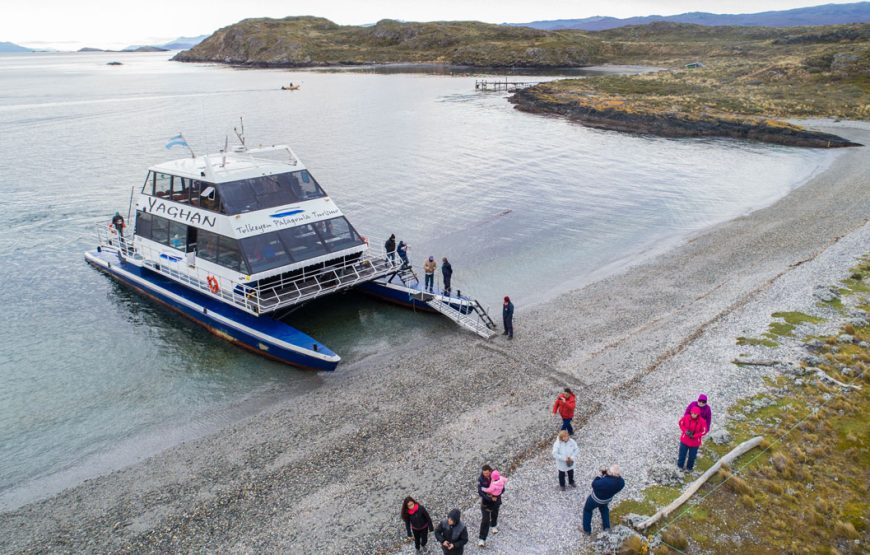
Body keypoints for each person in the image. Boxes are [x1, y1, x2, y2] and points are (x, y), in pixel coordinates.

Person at [582, 464, 625, 535]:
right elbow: (610, 482)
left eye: (609, 470)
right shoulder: (621, 482)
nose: (608, 471)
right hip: (607, 499)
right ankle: (606, 527)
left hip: (595, 499)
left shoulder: (605, 481)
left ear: (611, 473)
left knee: (587, 510)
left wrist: (598, 476)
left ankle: (587, 530)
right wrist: (606, 476)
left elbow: (594, 484)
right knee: (604, 510)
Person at [477, 464, 503, 547]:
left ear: (490, 471)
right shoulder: (480, 479)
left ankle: (494, 525)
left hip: (496, 501)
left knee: (495, 514)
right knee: (485, 520)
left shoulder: (496, 476)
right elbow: (480, 492)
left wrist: (496, 496)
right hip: (486, 503)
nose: (485, 475)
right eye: (484, 473)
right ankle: (482, 539)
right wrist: (489, 498)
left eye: (487, 473)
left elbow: (502, 488)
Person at [678, 405, 708, 471]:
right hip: (684, 440)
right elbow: (680, 423)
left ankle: (689, 468)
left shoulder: (702, 421)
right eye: (692, 413)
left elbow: (704, 431)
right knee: (682, 455)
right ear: (691, 412)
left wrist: (694, 435)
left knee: (692, 457)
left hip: (695, 443)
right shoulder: (686, 417)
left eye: (695, 414)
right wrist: (685, 431)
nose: (693, 415)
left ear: (698, 414)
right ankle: (679, 467)